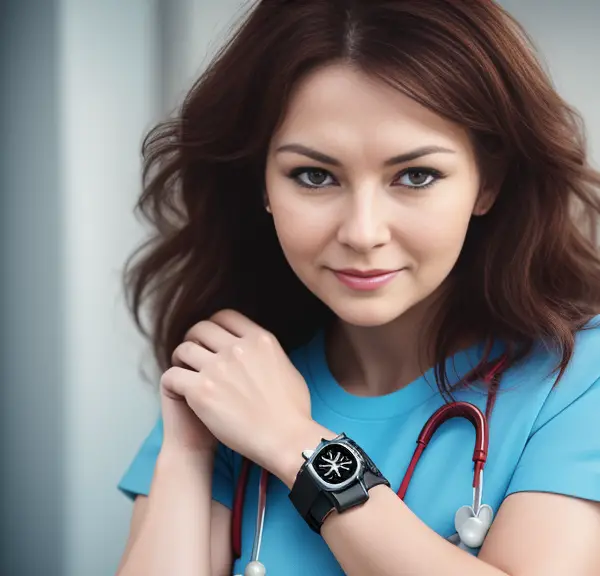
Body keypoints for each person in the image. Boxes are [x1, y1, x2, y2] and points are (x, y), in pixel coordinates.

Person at [115, 1, 600, 574]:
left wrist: (295, 443)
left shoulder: (577, 375)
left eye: (415, 176)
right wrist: (189, 451)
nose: (363, 233)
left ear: (486, 182)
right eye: (314, 176)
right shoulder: (236, 380)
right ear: (262, 185)